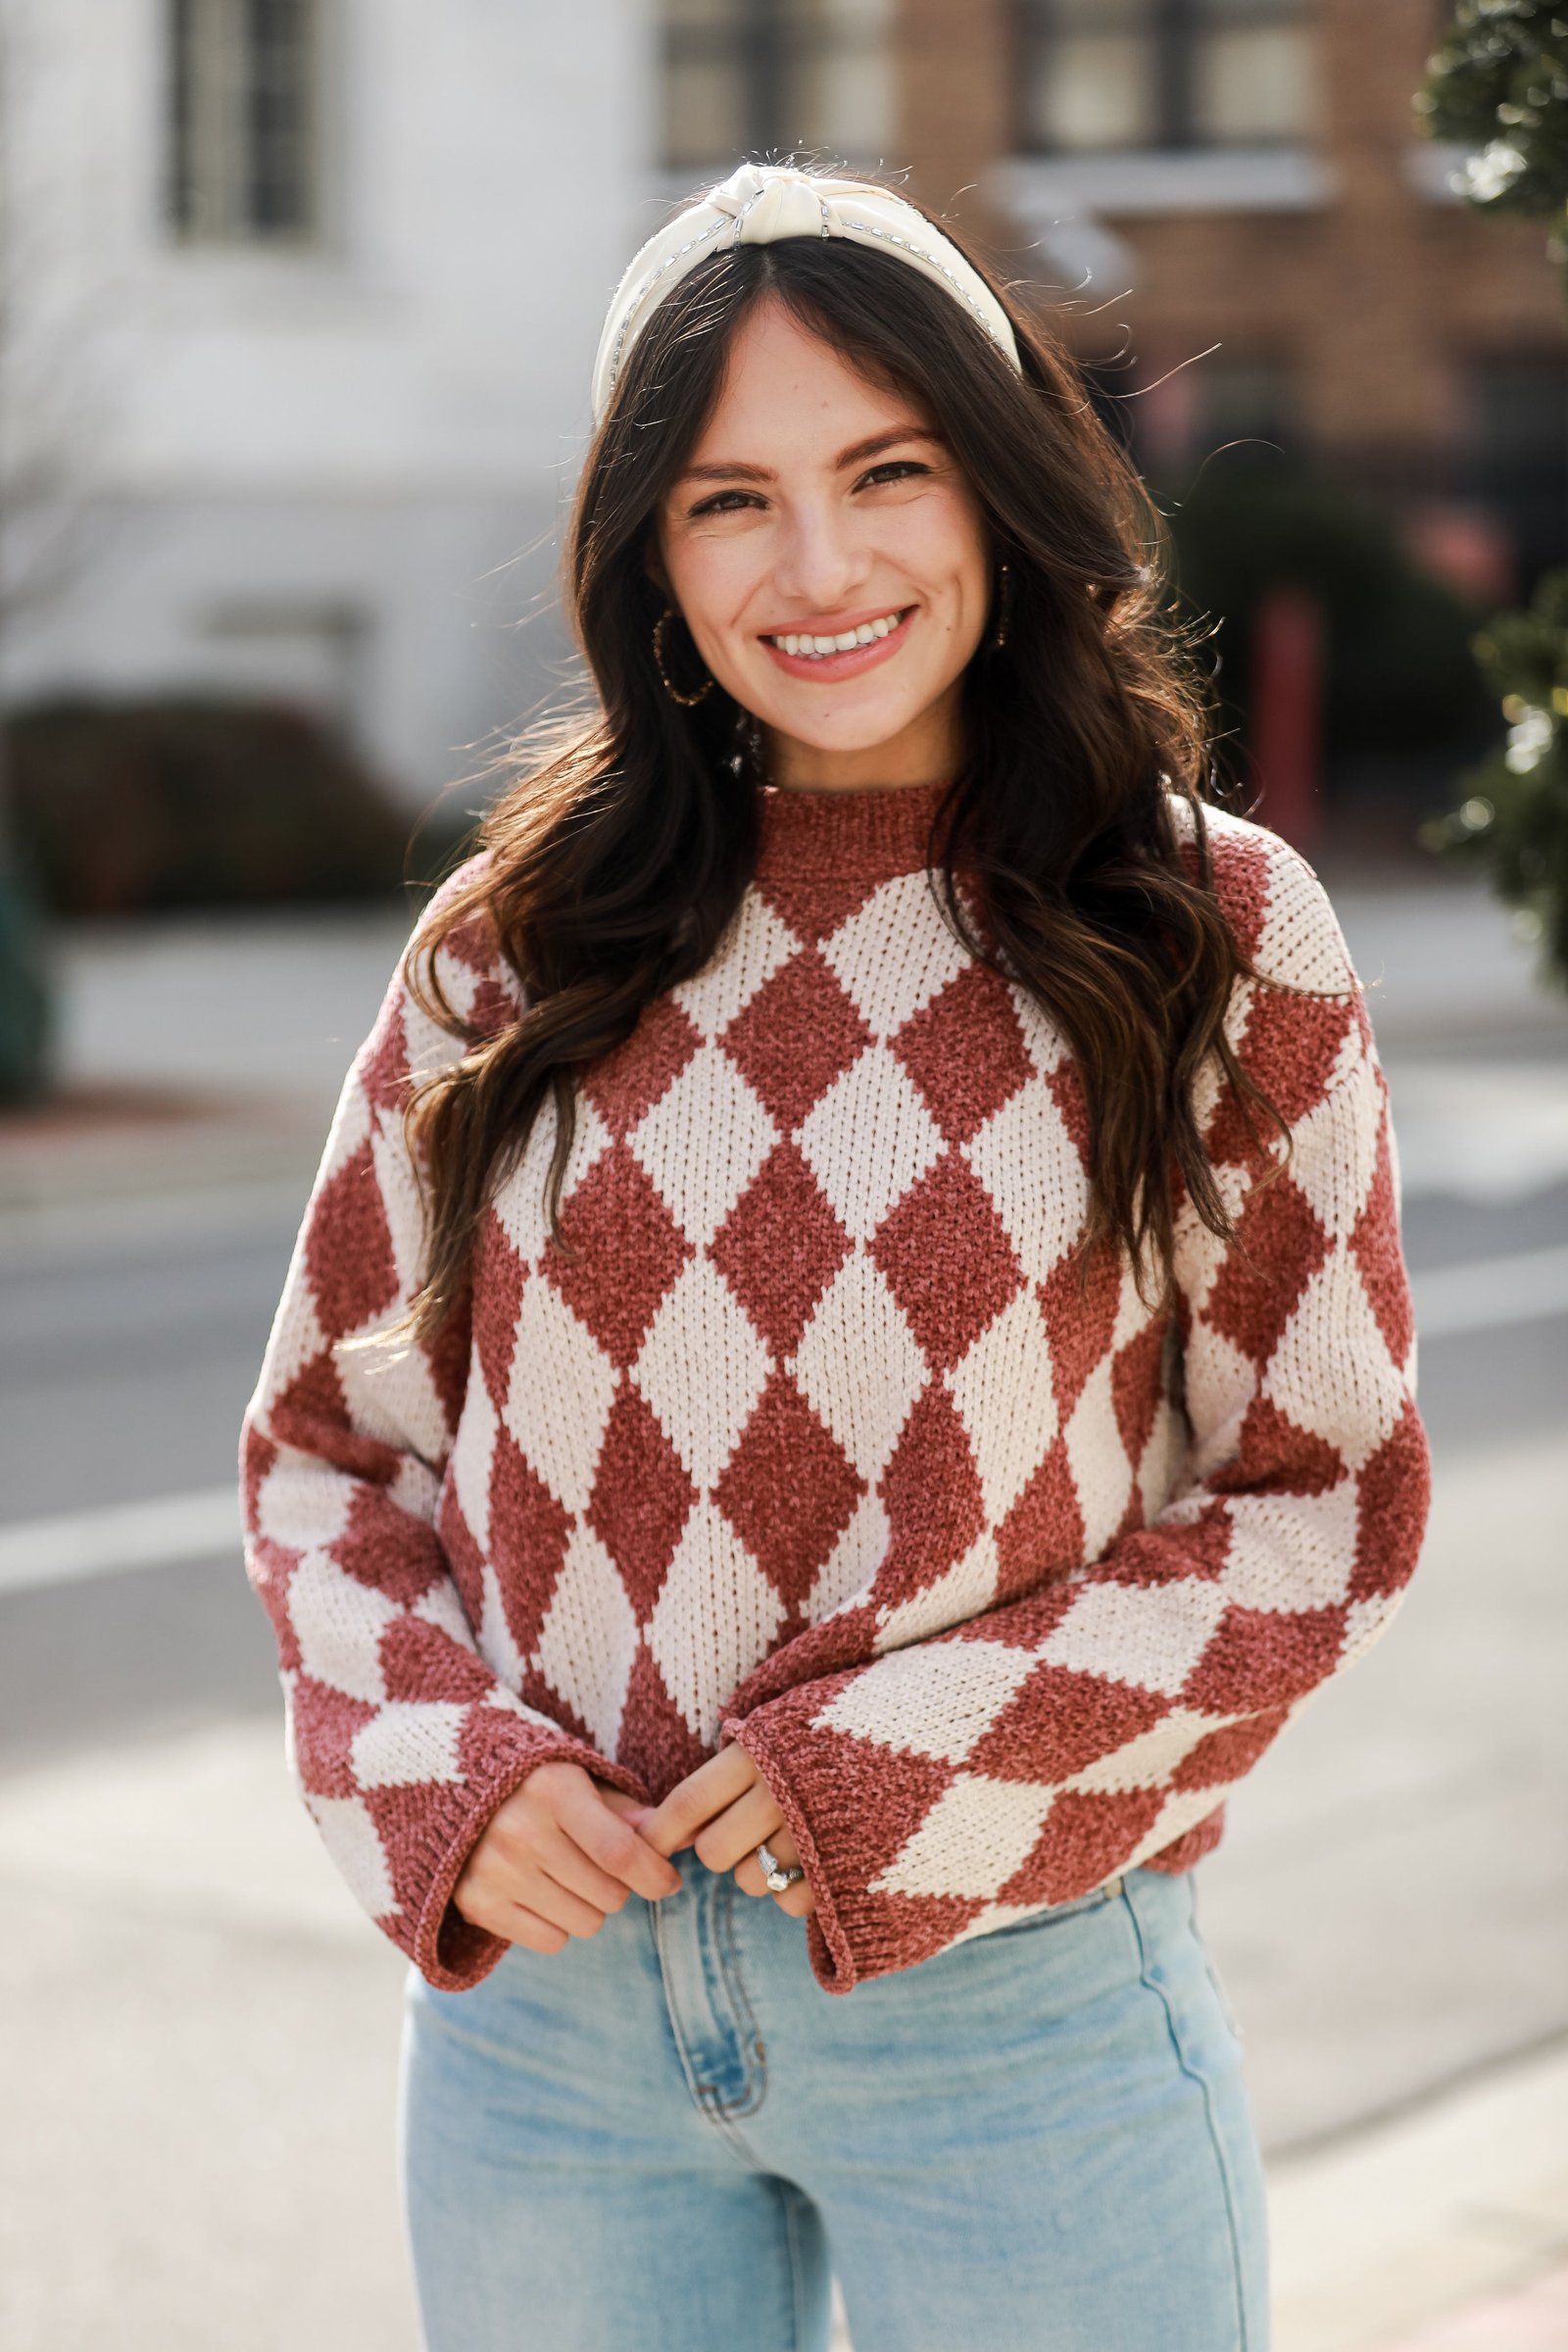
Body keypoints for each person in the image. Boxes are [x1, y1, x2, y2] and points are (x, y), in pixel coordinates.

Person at [239, 162, 1432, 2352]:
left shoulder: (1208, 932)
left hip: (1017, 2008)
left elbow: (1315, 1505)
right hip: (553, 2038)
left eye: (884, 473)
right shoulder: (516, 949)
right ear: (644, 551)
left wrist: (909, 1759)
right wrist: (442, 1781)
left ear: (991, 488)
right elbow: (327, 1454)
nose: (819, 567)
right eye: (728, 501)